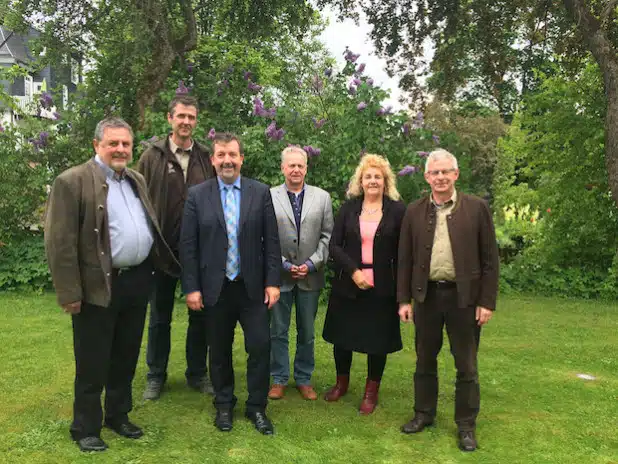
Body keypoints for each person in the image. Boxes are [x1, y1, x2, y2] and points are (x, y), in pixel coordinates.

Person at [44, 117, 179, 452]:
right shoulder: (71, 181)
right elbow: (59, 243)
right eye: (113, 143)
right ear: (96, 145)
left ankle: (118, 415)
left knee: (125, 355)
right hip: (97, 285)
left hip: (136, 281)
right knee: (93, 359)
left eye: (125, 144)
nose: (120, 149)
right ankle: (85, 427)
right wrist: (69, 292)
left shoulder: (135, 179)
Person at [397, 149, 499, 452]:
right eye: (434, 173)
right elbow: (404, 260)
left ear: (456, 174)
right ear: (427, 177)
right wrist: (404, 300)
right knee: (424, 359)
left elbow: (490, 260)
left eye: (445, 172)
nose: (440, 177)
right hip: (426, 296)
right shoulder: (414, 211)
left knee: (466, 364)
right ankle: (423, 414)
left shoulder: (477, 209)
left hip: (464, 298)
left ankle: (466, 426)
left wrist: (487, 302)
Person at [179, 132, 281, 435]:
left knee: (261, 346)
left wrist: (273, 282)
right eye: (221, 155)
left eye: (232, 155)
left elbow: (271, 242)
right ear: (213, 159)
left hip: (251, 288)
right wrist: (192, 287)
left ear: (241, 159)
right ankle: (224, 405)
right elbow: (188, 245)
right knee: (219, 349)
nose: (227, 160)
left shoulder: (260, 193)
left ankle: (257, 408)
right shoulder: (198, 195)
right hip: (215, 288)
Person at [137, 95, 215, 400]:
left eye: (191, 117)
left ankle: (197, 373)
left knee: (201, 316)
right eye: (181, 116)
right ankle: (156, 375)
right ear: (170, 119)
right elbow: (138, 199)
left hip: (198, 253)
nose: (186, 122)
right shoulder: (151, 157)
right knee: (159, 317)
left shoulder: (205, 157)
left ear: (196, 122)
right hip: (161, 252)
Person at [322, 154, 406, 415]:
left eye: (377, 177)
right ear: (360, 180)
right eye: (368, 176)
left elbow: (404, 249)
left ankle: (371, 392)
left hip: (382, 287)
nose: (372, 181)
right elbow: (334, 245)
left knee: (377, 340)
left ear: (385, 181)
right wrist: (354, 272)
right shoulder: (349, 209)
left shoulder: (397, 210)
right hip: (349, 284)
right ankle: (341, 383)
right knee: (342, 337)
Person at [268, 146, 334, 401]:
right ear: (283, 168)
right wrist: (284, 263)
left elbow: (328, 237)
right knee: (278, 330)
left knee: (307, 331)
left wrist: (311, 263)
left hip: (311, 275)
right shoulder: (269, 196)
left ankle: (304, 378)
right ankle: (279, 378)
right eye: (291, 165)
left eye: (300, 166)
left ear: (306, 168)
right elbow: (266, 236)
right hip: (280, 276)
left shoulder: (322, 198)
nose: (296, 170)